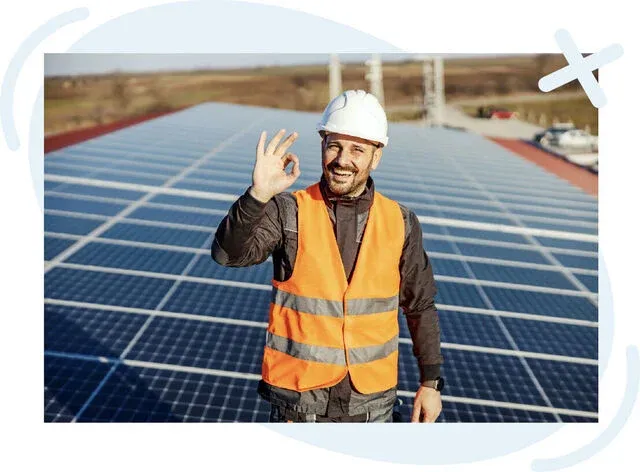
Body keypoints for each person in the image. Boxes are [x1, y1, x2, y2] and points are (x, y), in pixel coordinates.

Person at [211, 89, 444, 423]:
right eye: (334, 145)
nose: (342, 159)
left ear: (375, 156)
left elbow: (420, 305)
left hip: (372, 408)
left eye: (357, 150)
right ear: (322, 144)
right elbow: (227, 255)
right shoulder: (287, 211)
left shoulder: (401, 222)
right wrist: (258, 196)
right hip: (301, 407)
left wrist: (430, 382)